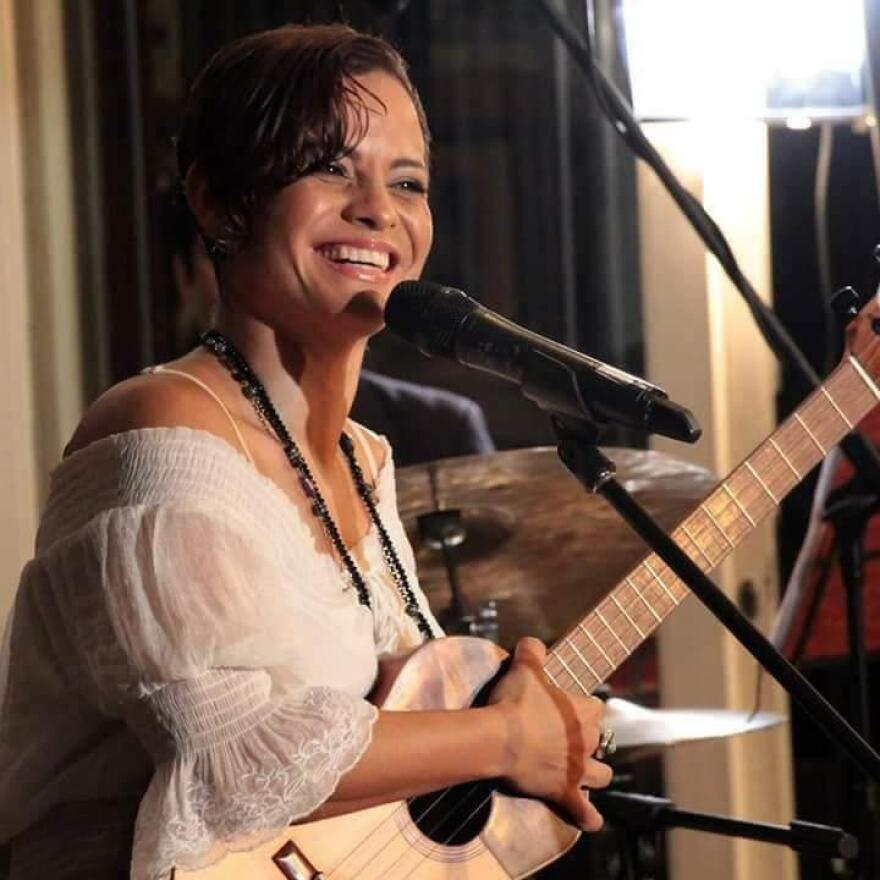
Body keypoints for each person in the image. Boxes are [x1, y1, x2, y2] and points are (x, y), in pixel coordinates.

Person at [0, 24, 611, 880]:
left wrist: (521, 712)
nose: (379, 210)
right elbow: (235, 762)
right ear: (218, 202)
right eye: (331, 168)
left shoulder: (363, 459)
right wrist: (511, 737)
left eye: (407, 182)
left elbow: (373, 732)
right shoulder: (159, 434)